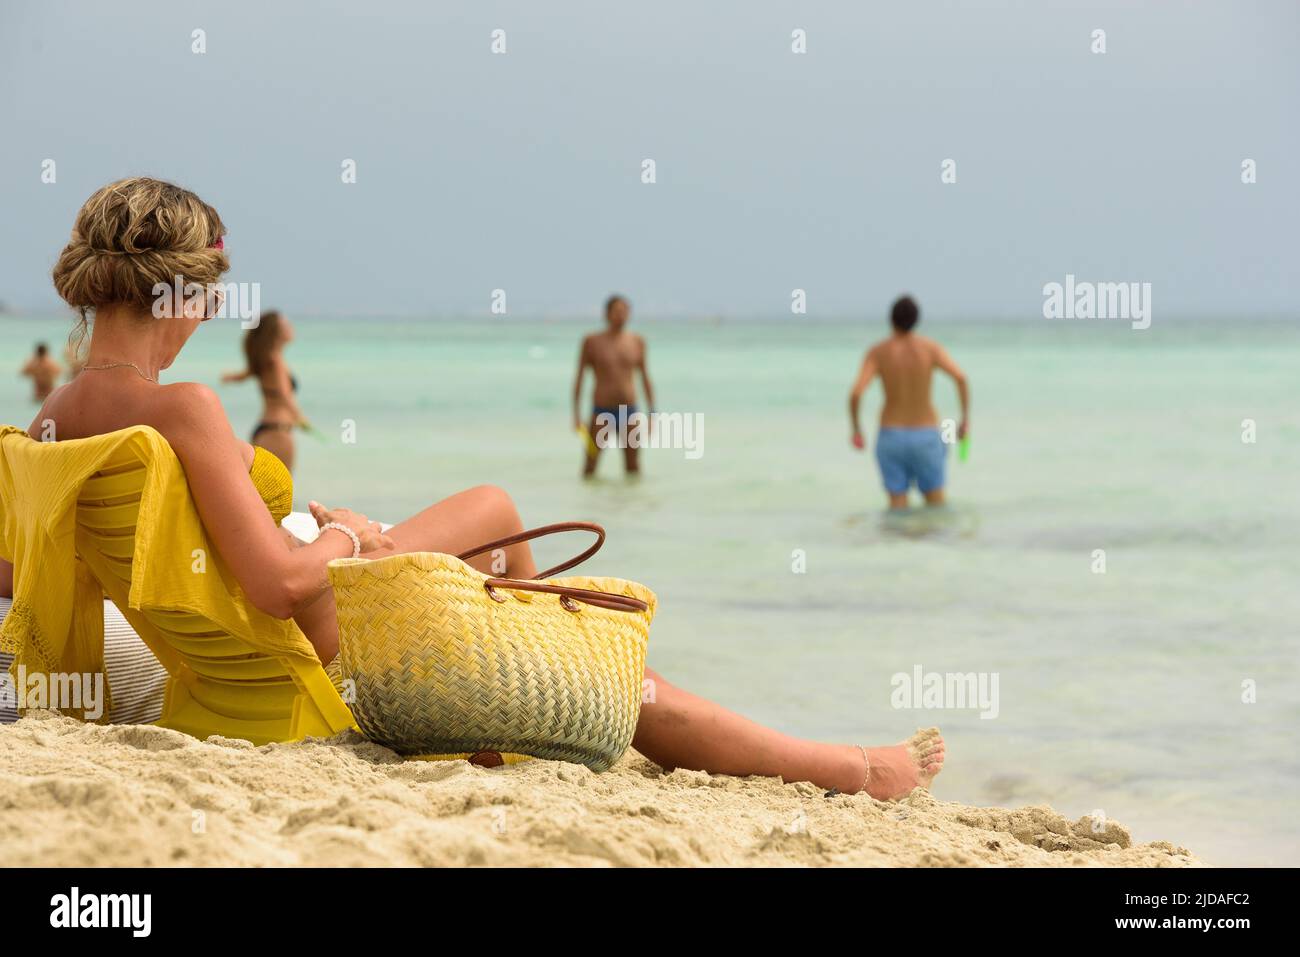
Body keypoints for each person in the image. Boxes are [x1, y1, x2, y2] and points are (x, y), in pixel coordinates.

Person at [0, 178, 943, 798]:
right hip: (325, 654)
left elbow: (17, 575)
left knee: (508, 551)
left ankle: (535, 677)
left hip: (224, 675)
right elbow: (278, 589)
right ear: (190, 294)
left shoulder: (48, 422)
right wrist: (351, 538)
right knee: (599, 654)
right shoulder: (187, 410)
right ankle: (850, 768)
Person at [849, 296, 970, 509]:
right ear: (916, 320)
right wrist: (964, 420)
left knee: (897, 509)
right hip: (926, 435)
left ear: (891, 319)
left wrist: (857, 429)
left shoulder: (878, 352)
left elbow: (857, 393)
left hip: (891, 436)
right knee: (936, 507)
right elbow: (960, 378)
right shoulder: (930, 348)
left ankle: (896, 543)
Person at [572, 295, 655, 477]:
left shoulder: (637, 342)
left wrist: (652, 414)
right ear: (607, 314)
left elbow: (645, 378)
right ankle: (588, 504)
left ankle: (631, 504)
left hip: (629, 413)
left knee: (633, 467)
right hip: (600, 413)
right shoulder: (592, 342)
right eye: (617, 311)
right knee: (590, 467)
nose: (621, 316)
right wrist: (576, 415)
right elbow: (579, 378)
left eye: (625, 311)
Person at [221, 310, 308, 473]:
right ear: (277, 332)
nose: (291, 328)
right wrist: (301, 418)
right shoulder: (275, 361)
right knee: (281, 491)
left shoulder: (266, 360)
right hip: (278, 431)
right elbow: (284, 394)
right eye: (286, 325)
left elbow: (245, 374)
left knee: (261, 488)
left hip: (265, 430)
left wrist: (230, 378)